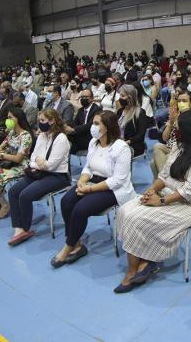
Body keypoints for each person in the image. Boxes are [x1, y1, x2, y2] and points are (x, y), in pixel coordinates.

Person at [113, 110, 191, 292]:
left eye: (178, 128)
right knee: (125, 210)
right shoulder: (179, 146)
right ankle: (146, 260)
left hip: (190, 205)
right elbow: (164, 175)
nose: (175, 131)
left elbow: (189, 192)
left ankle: (132, 271)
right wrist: (152, 190)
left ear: (190, 130)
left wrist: (159, 202)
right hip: (168, 195)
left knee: (137, 219)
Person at [51, 110, 136, 267]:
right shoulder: (93, 143)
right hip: (93, 182)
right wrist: (82, 182)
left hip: (112, 188)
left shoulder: (121, 147)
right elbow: (88, 168)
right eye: (93, 123)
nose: (93, 127)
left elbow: (118, 180)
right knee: (66, 201)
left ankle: (68, 247)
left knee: (80, 209)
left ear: (108, 127)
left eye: (97, 124)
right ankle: (76, 244)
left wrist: (89, 190)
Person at [7, 109, 71, 246]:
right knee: (13, 192)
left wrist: (40, 162)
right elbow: (32, 158)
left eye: (42, 120)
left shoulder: (61, 139)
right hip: (39, 172)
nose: (39, 123)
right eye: (39, 120)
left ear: (52, 121)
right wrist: (39, 161)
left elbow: (51, 166)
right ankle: (17, 228)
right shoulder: (42, 135)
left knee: (25, 195)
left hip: (57, 177)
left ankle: (25, 228)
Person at [150, 91, 191, 179]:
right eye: (180, 101)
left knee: (153, 163)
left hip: (183, 149)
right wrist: (170, 122)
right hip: (171, 147)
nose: (181, 103)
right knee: (157, 146)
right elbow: (165, 138)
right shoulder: (176, 113)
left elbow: (186, 137)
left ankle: (162, 182)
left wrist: (176, 120)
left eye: (184, 101)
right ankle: (164, 181)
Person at [64, 88, 99, 154]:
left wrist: (73, 130)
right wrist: (66, 126)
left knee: (74, 141)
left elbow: (89, 126)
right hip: (80, 133)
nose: (83, 99)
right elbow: (75, 123)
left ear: (91, 98)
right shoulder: (81, 110)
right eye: (82, 97)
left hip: (90, 135)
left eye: (86, 97)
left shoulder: (97, 110)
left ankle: (70, 157)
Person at [117, 84, 148, 157]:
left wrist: (125, 142)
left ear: (130, 97)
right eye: (120, 95)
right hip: (119, 143)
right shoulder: (120, 111)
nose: (120, 98)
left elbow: (141, 135)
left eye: (123, 96)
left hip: (133, 144)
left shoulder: (140, 112)